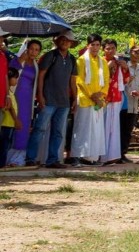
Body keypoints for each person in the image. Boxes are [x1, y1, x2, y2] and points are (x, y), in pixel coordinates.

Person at [25, 30, 79, 168]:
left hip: (64, 101)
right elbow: (41, 76)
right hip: (48, 99)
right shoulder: (50, 56)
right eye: (62, 39)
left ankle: (53, 160)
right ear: (57, 41)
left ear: (71, 43)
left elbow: (73, 81)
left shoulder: (72, 59)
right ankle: (30, 158)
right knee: (39, 129)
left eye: (68, 40)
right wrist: (41, 96)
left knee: (58, 132)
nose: (65, 42)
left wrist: (75, 99)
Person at [71, 34, 109, 165]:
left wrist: (101, 95)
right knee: (81, 128)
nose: (95, 47)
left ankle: (90, 158)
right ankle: (76, 156)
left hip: (98, 101)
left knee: (96, 130)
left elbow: (106, 81)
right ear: (88, 45)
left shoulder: (103, 62)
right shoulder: (81, 60)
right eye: (92, 44)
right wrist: (92, 95)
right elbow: (79, 80)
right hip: (84, 99)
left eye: (98, 45)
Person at [7, 39, 42, 166]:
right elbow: (10, 74)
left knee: (24, 127)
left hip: (28, 100)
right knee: (12, 124)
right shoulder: (17, 60)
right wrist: (20, 60)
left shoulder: (36, 65)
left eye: (37, 50)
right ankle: (6, 157)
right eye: (32, 48)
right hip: (15, 96)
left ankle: (17, 159)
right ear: (27, 48)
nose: (33, 52)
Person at [100, 40, 129, 165]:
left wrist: (125, 68)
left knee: (113, 128)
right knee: (103, 127)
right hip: (103, 98)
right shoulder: (100, 61)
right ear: (103, 50)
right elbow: (97, 78)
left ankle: (112, 156)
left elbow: (126, 80)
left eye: (112, 48)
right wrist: (107, 66)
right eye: (107, 48)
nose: (110, 50)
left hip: (116, 97)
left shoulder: (119, 62)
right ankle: (101, 156)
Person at [120, 45, 139, 161]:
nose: (137, 55)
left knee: (128, 130)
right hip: (124, 101)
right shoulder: (125, 65)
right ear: (130, 52)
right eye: (135, 52)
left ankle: (123, 153)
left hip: (135, 103)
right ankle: (118, 153)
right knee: (121, 129)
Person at [0, 68, 20, 166]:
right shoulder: (6, 94)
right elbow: (11, 108)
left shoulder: (10, 92)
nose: (16, 80)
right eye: (15, 78)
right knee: (4, 145)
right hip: (6, 123)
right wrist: (16, 120)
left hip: (10, 124)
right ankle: (1, 164)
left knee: (6, 145)